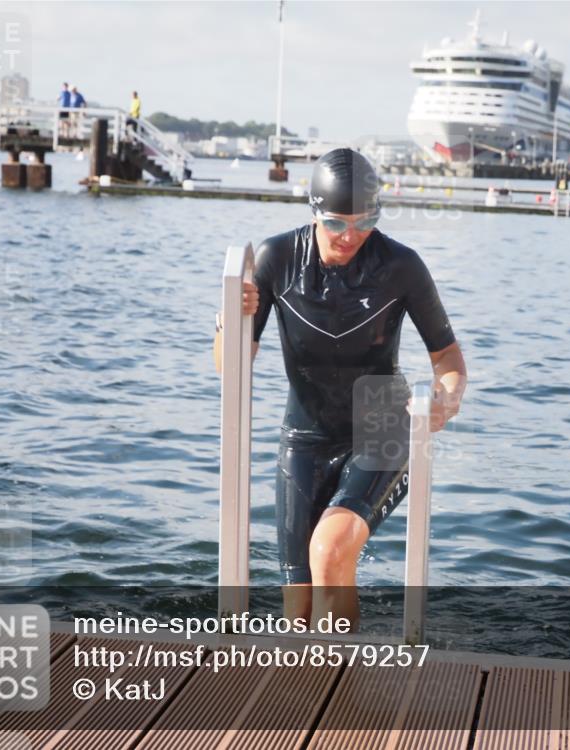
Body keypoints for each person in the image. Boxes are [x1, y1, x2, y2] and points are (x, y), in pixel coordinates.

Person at [213, 148, 467, 629]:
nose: (350, 235)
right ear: (313, 212)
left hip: (382, 426)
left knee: (329, 553)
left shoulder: (401, 266)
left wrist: (445, 399)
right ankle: (315, 693)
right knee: (298, 609)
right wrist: (232, 319)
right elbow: (232, 369)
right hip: (304, 437)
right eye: (335, 223)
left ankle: (342, 689)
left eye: (364, 221)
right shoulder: (277, 259)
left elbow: (449, 361)